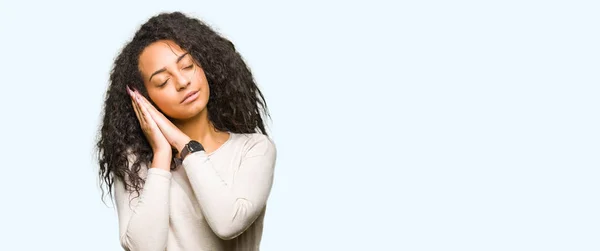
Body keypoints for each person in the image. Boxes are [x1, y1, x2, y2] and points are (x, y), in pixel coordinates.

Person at [95, 11, 277, 251]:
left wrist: (184, 144)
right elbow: (144, 248)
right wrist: (161, 153)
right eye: (162, 81)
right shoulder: (134, 163)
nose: (182, 82)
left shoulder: (254, 148)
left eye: (187, 66)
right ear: (144, 99)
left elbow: (228, 222)